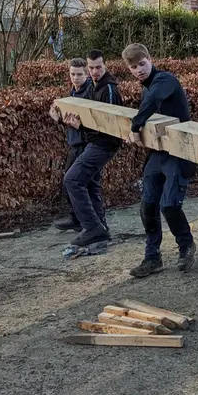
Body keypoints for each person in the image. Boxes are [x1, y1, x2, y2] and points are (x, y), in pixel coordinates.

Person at [122, 43, 197, 276]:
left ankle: (186, 246)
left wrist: (135, 126)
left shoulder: (165, 80)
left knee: (169, 205)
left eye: (142, 64)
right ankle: (152, 258)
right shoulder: (145, 88)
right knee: (148, 206)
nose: (139, 70)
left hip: (179, 153)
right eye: (133, 67)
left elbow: (154, 100)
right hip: (159, 152)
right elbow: (148, 110)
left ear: (150, 59)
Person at [62, 49, 123, 247]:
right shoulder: (95, 88)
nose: (95, 71)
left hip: (104, 145)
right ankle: (98, 227)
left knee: (73, 180)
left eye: (98, 67)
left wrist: (80, 127)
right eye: (92, 68)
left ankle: (93, 227)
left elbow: (110, 128)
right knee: (83, 182)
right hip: (95, 143)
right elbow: (92, 123)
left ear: (105, 66)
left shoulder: (109, 89)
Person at [49, 57, 93, 231]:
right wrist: (58, 120)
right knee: (69, 184)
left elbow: (90, 124)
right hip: (74, 144)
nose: (75, 78)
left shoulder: (89, 92)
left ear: (86, 74)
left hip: (86, 145)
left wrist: (79, 127)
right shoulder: (73, 92)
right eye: (72, 74)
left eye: (79, 75)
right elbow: (71, 122)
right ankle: (77, 219)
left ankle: (87, 222)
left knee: (83, 185)